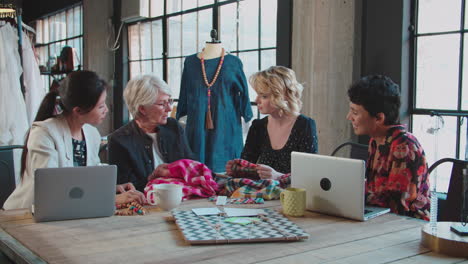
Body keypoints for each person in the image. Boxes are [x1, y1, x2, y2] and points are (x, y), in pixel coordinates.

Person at [3, 71, 145, 210]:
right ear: (78, 111)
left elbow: (86, 180)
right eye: (100, 106)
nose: (106, 110)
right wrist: (109, 198)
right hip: (27, 214)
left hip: (69, 212)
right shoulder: (44, 134)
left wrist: (110, 189)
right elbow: (52, 189)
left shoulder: (91, 134)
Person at [346, 75, 430, 220]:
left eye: (355, 112)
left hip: (406, 227)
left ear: (379, 118)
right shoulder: (376, 140)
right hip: (381, 220)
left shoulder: (404, 146)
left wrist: (349, 193)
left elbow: (396, 204)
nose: (349, 117)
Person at [226, 66, 318, 180]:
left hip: (292, 195)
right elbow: (248, 168)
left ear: (282, 96)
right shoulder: (258, 127)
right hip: (263, 194)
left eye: (264, 96)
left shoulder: (305, 125)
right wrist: (236, 170)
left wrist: (278, 176)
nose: (256, 100)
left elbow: (309, 174)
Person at [108, 75, 195, 192]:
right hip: (145, 202)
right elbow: (124, 187)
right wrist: (152, 177)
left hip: (183, 196)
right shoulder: (119, 140)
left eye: (170, 101)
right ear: (142, 109)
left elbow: (191, 166)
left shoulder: (173, 127)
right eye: (162, 104)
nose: (169, 108)